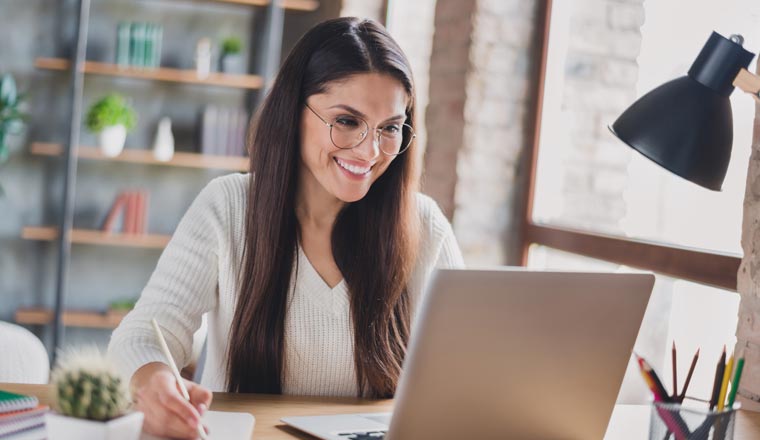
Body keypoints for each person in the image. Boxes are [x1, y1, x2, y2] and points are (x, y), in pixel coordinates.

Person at [107, 16, 463, 439]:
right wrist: (155, 384)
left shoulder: (424, 226)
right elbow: (140, 337)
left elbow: (467, 373)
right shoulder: (229, 206)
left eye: (389, 128)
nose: (370, 151)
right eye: (347, 121)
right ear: (294, 112)